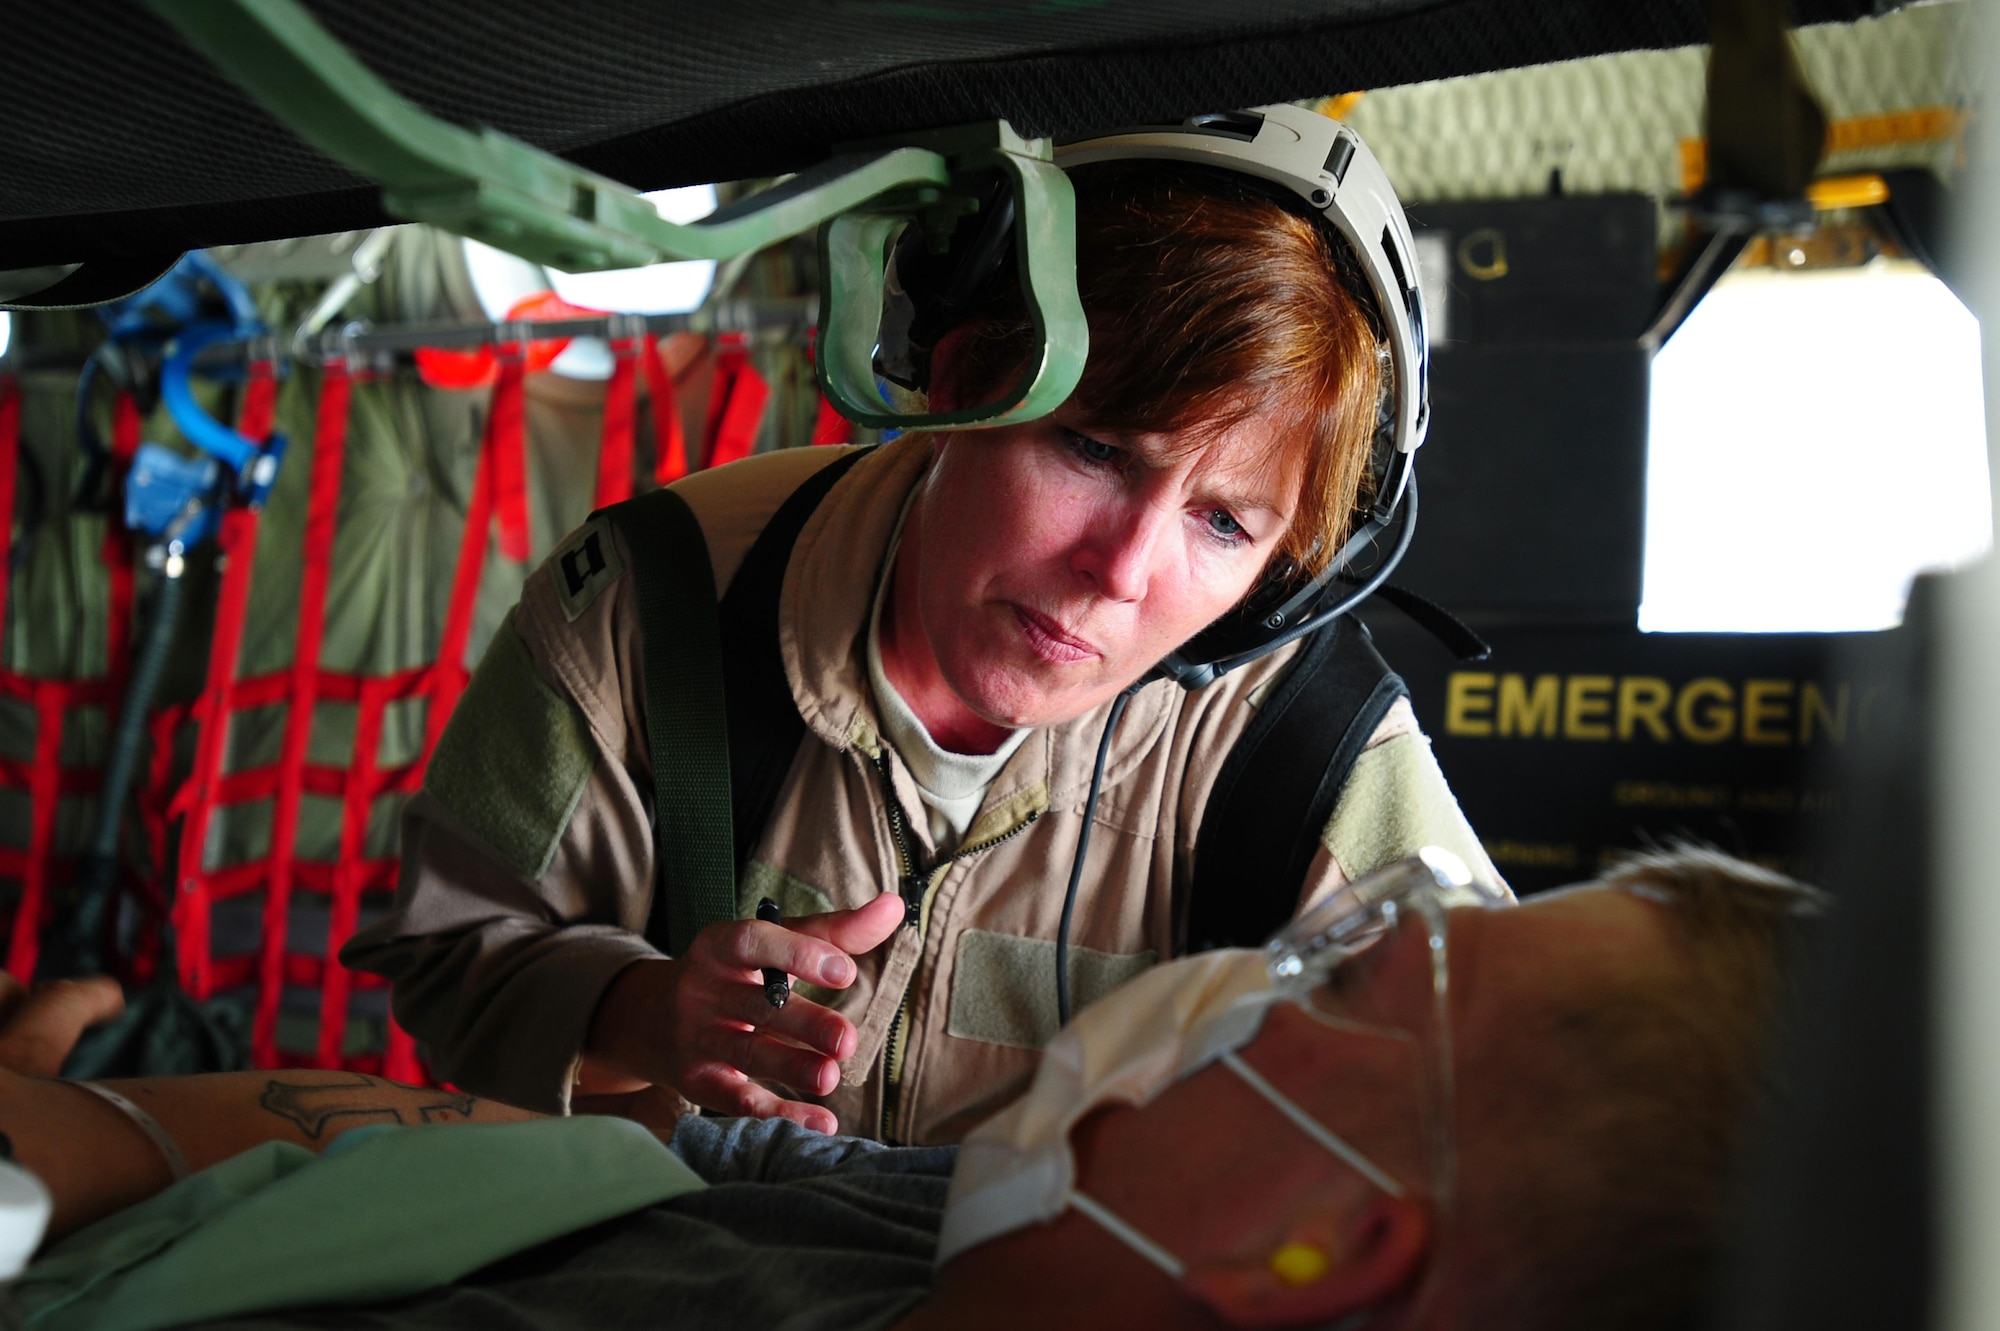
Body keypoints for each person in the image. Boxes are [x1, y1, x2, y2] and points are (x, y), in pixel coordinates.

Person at [341, 105, 1504, 1144]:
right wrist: (637, 1012)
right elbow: (448, 953)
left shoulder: (1303, 743)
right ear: (957, 379)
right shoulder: (657, 600)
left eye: (1222, 521)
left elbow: (1506, 1095)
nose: (1121, 569)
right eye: (1093, 448)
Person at [5, 847, 1814, 1331]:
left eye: (1344, 982)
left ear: (1325, 1243)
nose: (1268, 967)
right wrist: (57, 1145)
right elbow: (295, 1143)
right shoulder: (900, 1217)